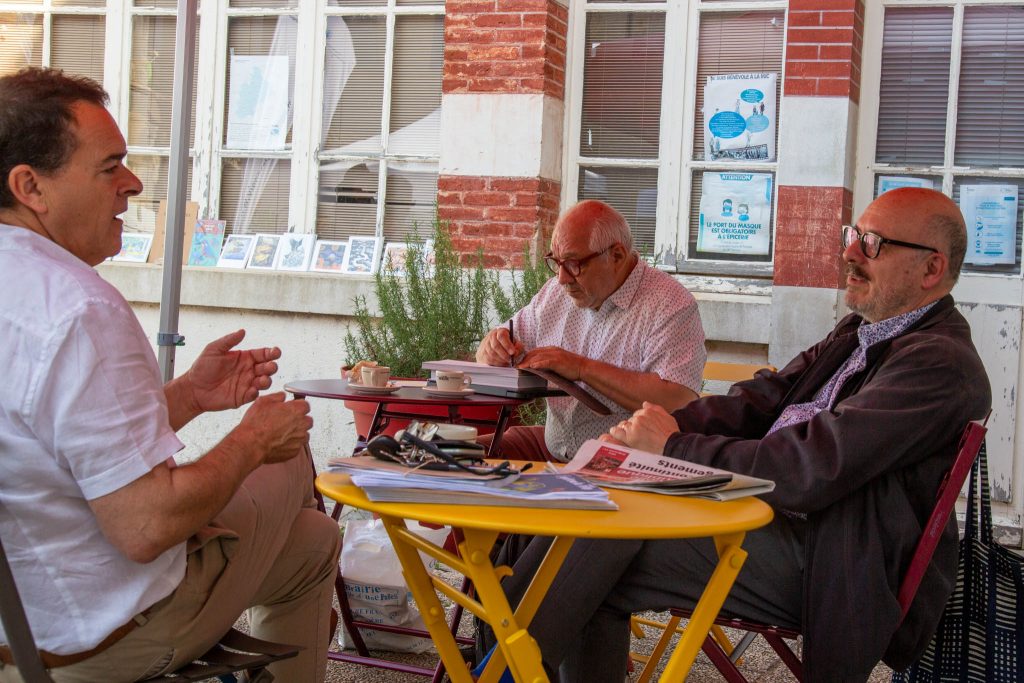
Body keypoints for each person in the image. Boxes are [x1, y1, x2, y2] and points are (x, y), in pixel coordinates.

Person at [494, 187, 992, 682]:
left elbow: (813, 466)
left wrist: (671, 447)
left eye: (874, 244)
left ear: (931, 269)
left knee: (602, 529)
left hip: (833, 561)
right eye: (854, 236)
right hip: (766, 519)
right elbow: (757, 400)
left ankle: (494, 671)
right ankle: (500, 664)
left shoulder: (940, 364)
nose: (850, 253)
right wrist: (648, 431)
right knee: (581, 512)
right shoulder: (859, 333)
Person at [0, 68, 340, 682]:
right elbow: (145, 525)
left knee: (313, 543)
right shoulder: (79, 307)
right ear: (31, 187)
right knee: (291, 461)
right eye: (110, 168)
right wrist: (253, 439)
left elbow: (49, 436)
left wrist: (185, 396)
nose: (132, 184)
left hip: (21, 617)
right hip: (91, 640)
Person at [475, 199, 706, 462]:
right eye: (555, 262)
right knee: (446, 453)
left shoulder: (670, 304)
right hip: (553, 447)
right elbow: (498, 345)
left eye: (574, 264)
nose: (561, 278)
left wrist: (582, 368)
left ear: (616, 256)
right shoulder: (555, 293)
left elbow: (677, 401)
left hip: (625, 464)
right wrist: (493, 346)